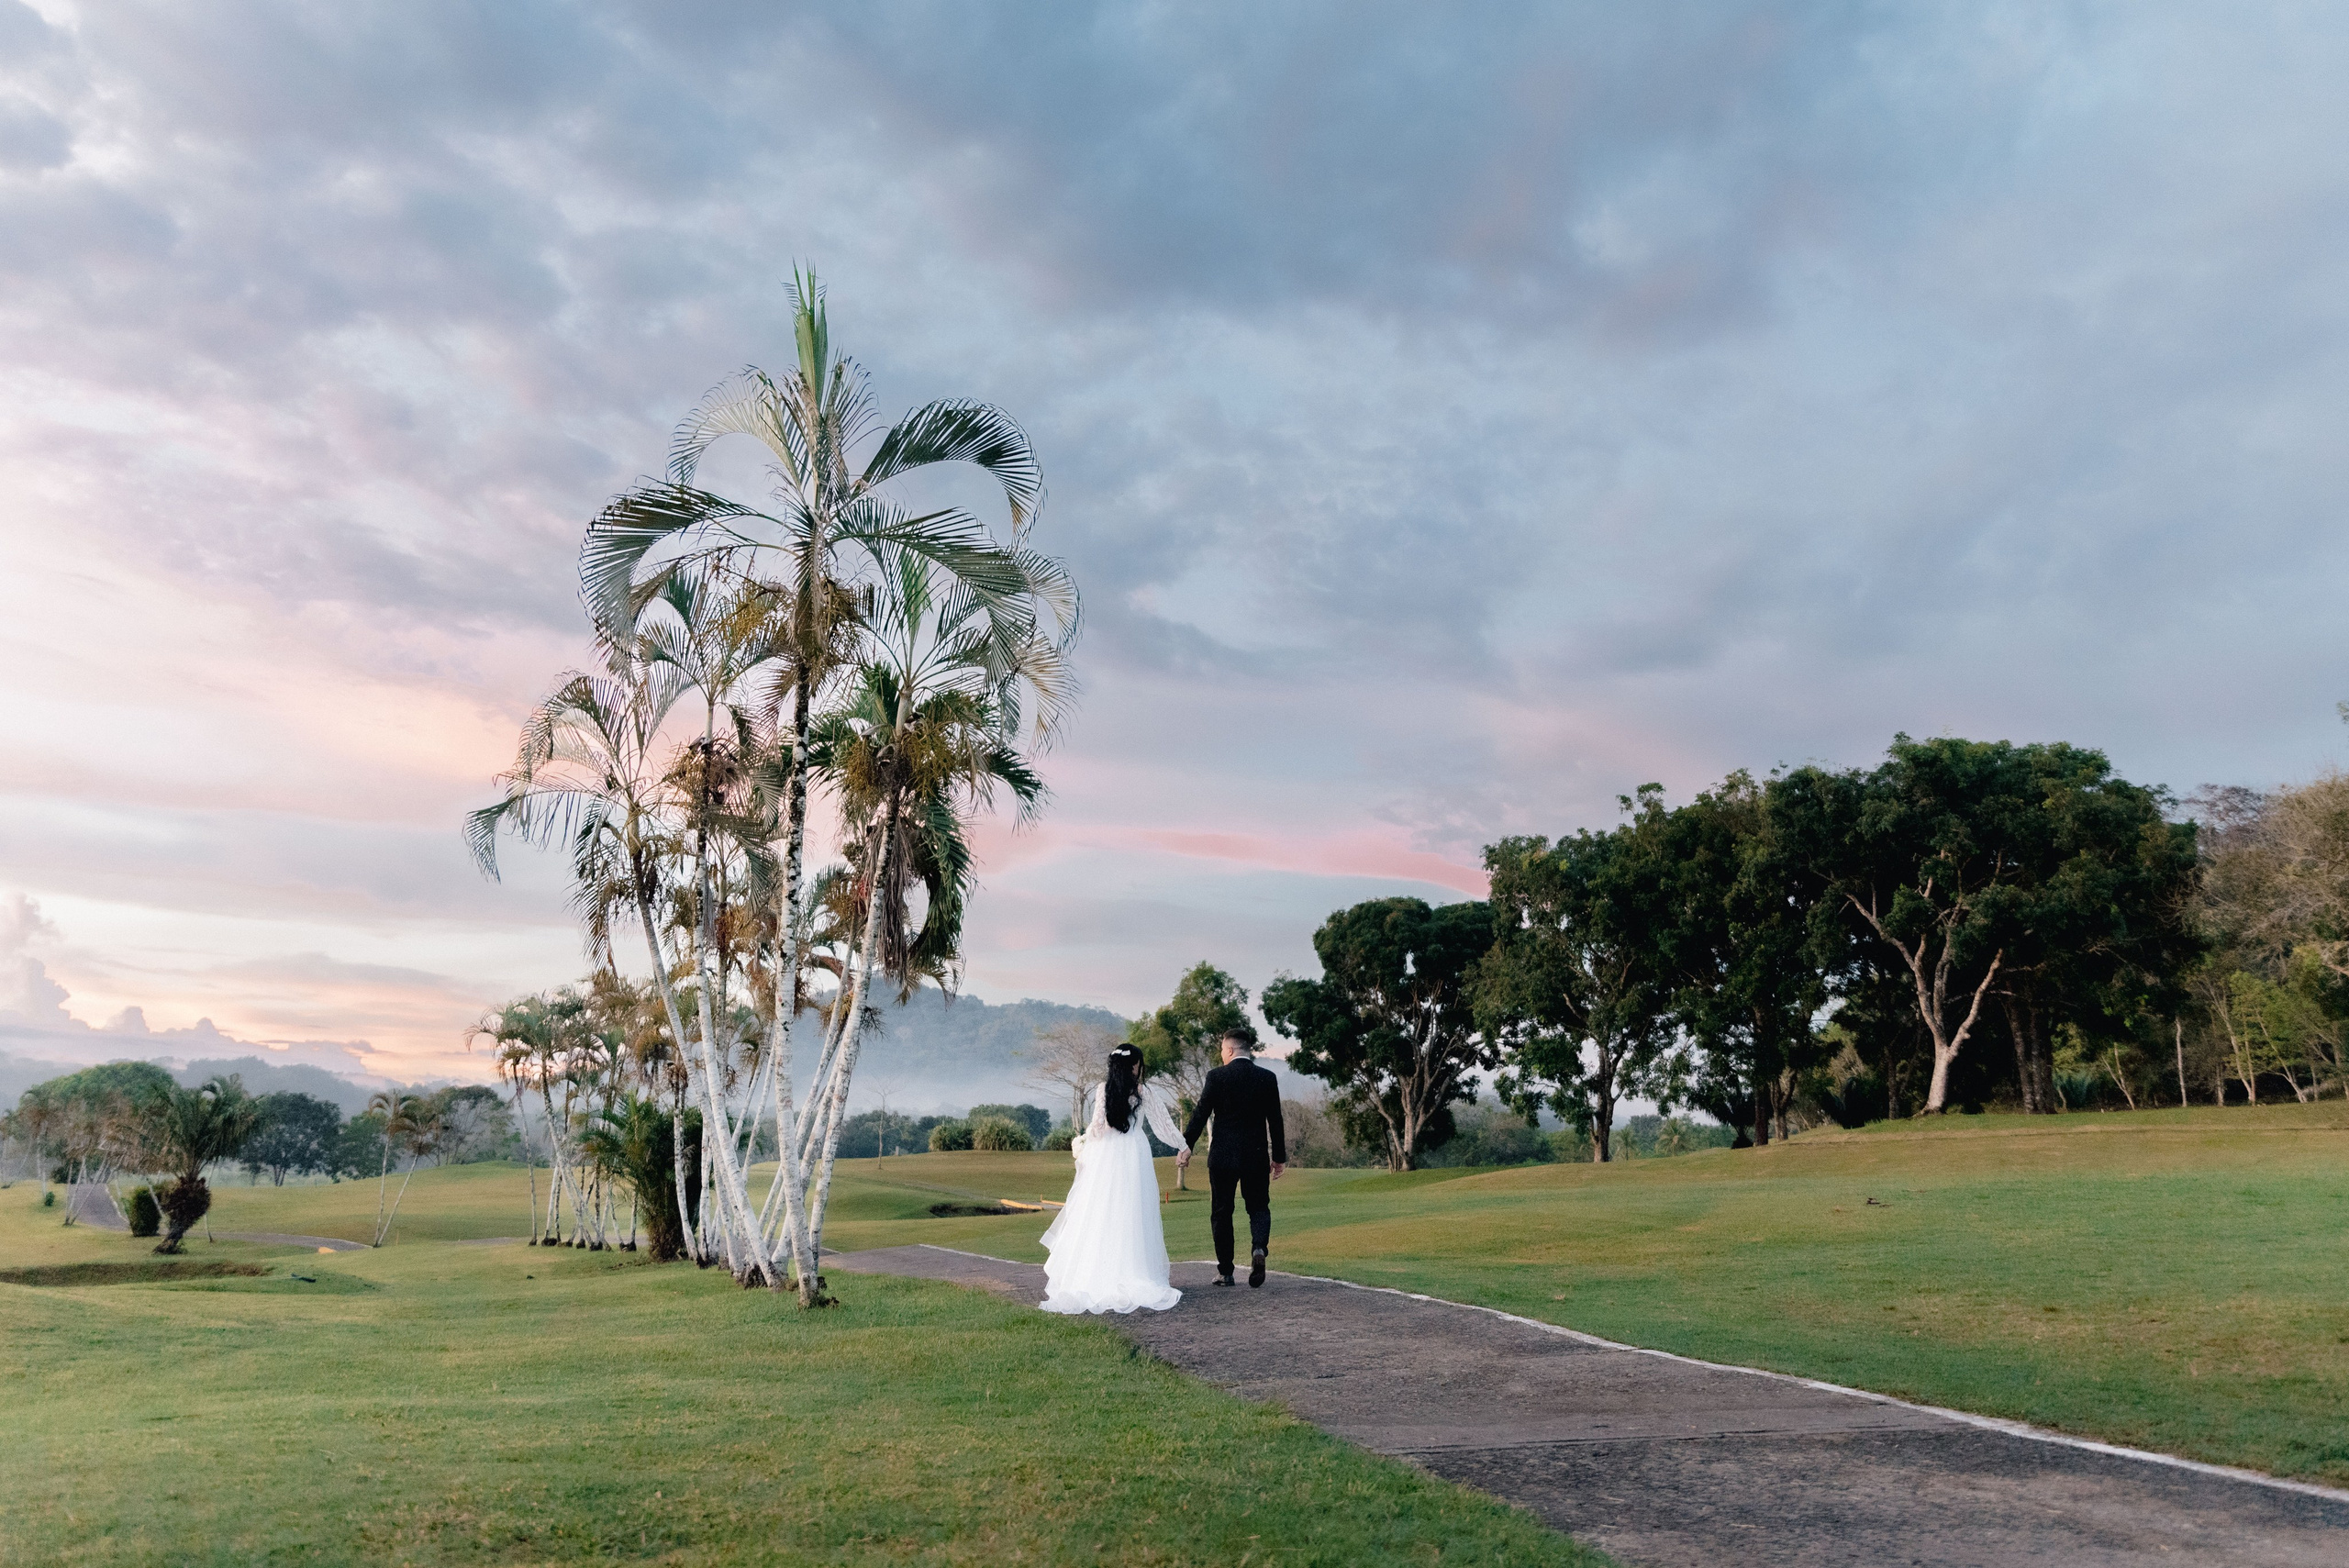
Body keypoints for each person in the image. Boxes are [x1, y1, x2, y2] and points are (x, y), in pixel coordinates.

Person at [1038, 1044, 1186, 1314]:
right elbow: (1164, 1126)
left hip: (1106, 1155)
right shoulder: (1144, 1092)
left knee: (1101, 1212)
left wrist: (1083, 1146)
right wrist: (1182, 1145)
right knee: (1132, 1212)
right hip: (1134, 1153)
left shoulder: (1103, 1090)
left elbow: (1096, 1128)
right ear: (1135, 1065)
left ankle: (1097, 1273)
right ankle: (1133, 1271)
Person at [1177, 1025, 1286, 1288]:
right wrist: (1279, 1157)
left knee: (1222, 1212)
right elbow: (1276, 1120)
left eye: (1222, 1051)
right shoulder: (1267, 1078)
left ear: (1229, 1049)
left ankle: (1226, 1272)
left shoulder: (1217, 1077)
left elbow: (1201, 1113)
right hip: (1256, 1155)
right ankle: (1258, 1249)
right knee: (1258, 1207)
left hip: (1223, 1156)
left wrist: (1186, 1145)